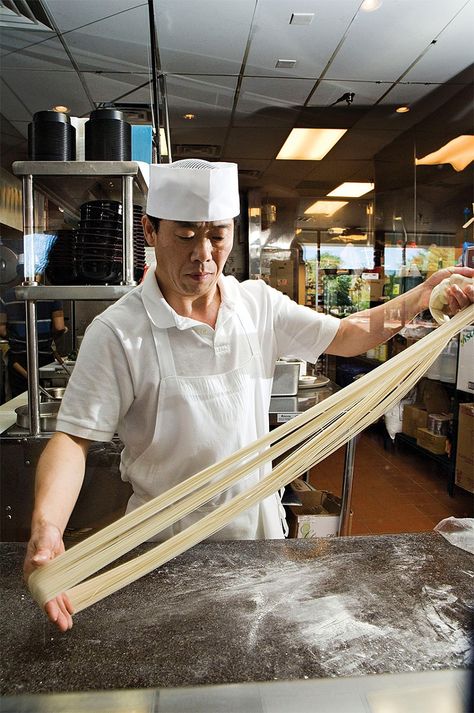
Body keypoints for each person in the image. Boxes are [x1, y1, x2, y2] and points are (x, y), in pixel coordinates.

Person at [23, 159, 474, 631]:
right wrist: (48, 528)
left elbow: (346, 334)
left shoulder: (256, 304)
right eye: (184, 235)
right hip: (163, 549)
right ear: (151, 232)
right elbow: (72, 440)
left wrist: (422, 294)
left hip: (257, 537)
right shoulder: (117, 332)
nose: (203, 254)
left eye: (216, 235)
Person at [0, 287, 66, 398]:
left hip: (18, 358)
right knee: (44, 398)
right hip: (44, 356)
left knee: (21, 400)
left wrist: (16, 338)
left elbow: (1, 329)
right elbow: (59, 327)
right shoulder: (51, 295)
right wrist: (48, 338)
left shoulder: (6, 296)